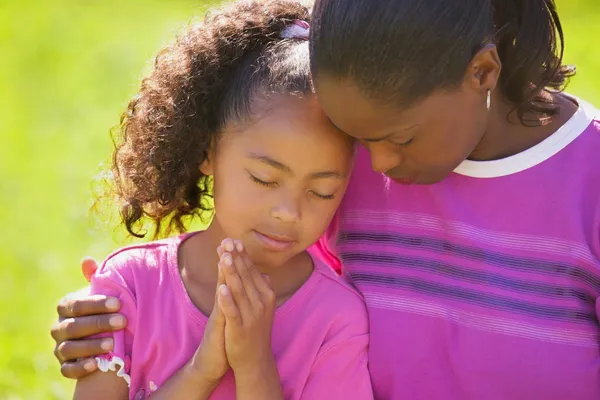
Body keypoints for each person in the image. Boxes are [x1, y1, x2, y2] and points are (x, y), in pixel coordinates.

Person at [53, 0, 600, 398]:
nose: (378, 167)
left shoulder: (588, 179)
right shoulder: (340, 150)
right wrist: (122, 307)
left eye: (400, 138)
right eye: (361, 141)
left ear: (482, 71)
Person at [60, 1, 373, 399]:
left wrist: (255, 365)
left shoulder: (336, 320)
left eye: (322, 191)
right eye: (263, 178)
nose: (288, 212)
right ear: (209, 152)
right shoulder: (132, 286)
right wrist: (202, 370)